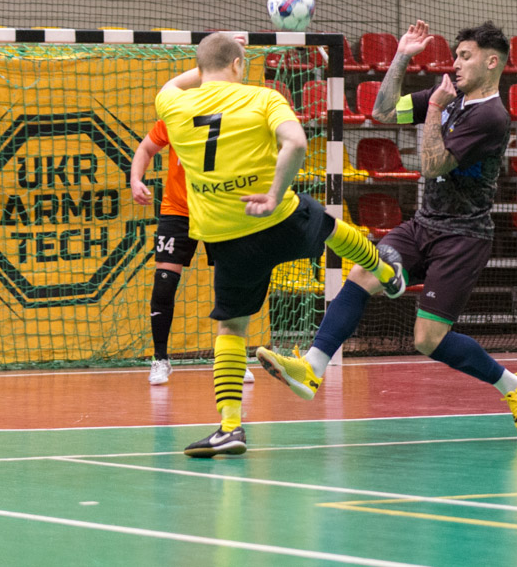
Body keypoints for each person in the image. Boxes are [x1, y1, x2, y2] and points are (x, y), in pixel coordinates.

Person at [256, 20, 517, 441]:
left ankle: (516, 387)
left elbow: (432, 165)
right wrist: (402, 57)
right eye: (456, 55)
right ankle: (311, 369)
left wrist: (435, 109)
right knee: (361, 273)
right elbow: (382, 111)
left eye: (465, 57)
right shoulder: (451, 94)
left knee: (428, 340)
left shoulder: (491, 117)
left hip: (464, 238)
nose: (456, 63)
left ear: (492, 62)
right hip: (425, 223)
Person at [156, 32, 405, 457]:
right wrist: (273, 193)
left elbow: (177, 82)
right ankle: (384, 272)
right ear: (238, 65)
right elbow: (297, 143)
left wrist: (216, 56)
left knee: (231, 328)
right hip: (277, 216)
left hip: (226, 235)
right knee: (330, 228)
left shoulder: (172, 104)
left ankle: (230, 427)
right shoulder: (263, 99)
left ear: (199, 68)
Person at [129, 121, 255, 386]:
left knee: (231, 283)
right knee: (164, 284)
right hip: (177, 209)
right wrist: (135, 180)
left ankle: (233, 359)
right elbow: (146, 148)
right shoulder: (177, 113)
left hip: (218, 209)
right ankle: (160, 359)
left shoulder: (232, 114)